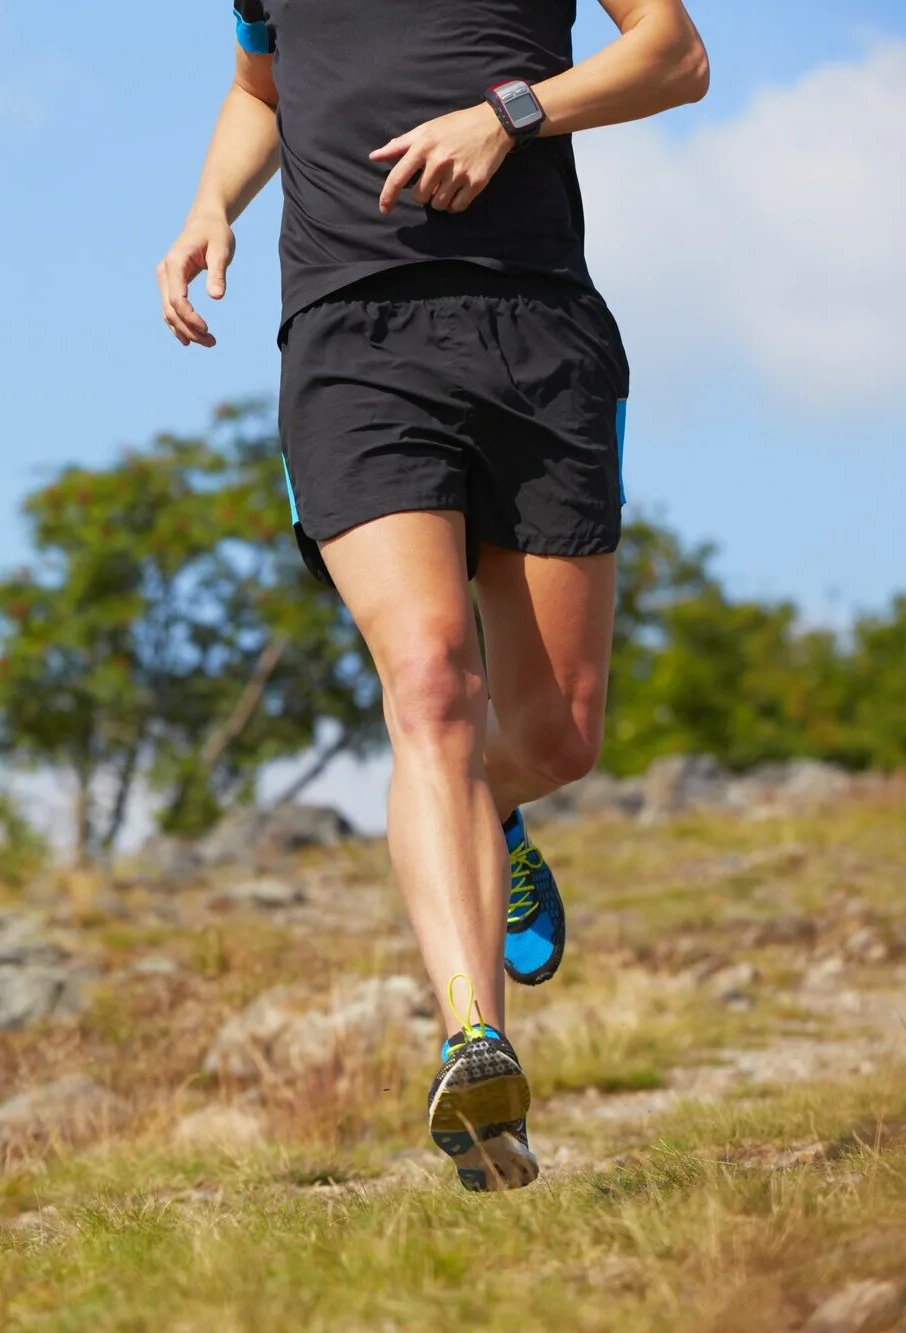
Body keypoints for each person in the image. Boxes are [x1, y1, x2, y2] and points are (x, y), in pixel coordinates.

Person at [156, 0, 708, 1191]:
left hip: (538, 328)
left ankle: (488, 814)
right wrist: (211, 203)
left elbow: (673, 53)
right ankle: (474, 1043)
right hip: (351, 338)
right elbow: (262, 87)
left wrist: (508, 118)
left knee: (555, 734)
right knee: (428, 686)